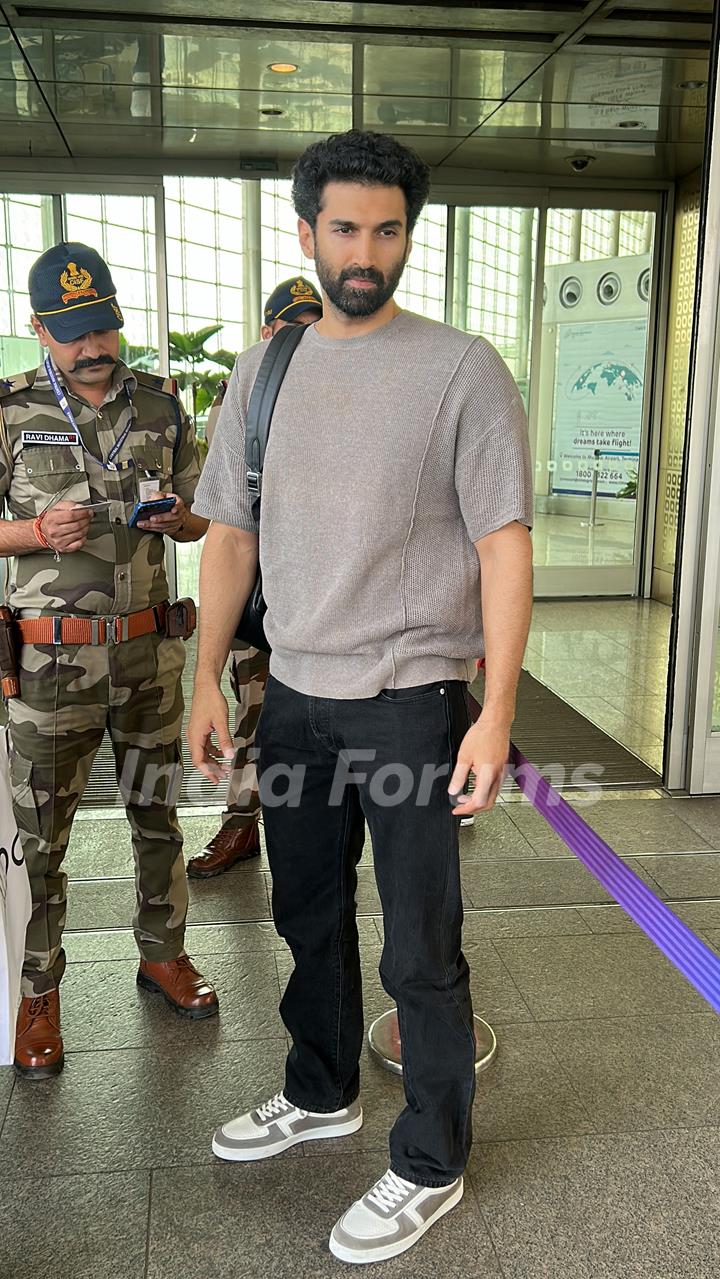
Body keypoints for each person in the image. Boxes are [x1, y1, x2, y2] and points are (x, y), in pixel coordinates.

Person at [188, 130, 533, 1266]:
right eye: (345, 227)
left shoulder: (461, 367)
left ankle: (430, 1157)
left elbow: (503, 544)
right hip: (293, 697)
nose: (365, 251)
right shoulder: (267, 366)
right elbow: (230, 534)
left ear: (408, 235)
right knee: (307, 915)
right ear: (306, 232)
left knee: (421, 949)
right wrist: (207, 677)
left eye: (387, 229)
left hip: (409, 702)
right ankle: (321, 1088)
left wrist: (494, 712)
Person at [0, 241, 219, 1080]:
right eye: (73, 335)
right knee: (39, 840)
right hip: (50, 669)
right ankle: (35, 994)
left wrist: (181, 523)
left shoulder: (162, 406)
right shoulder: (11, 412)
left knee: (158, 815)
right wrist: (30, 533)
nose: (94, 349)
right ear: (38, 329)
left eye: (103, 330)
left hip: (148, 655)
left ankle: (163, 953)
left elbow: (207, 512)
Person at [186, 276, 322, 878]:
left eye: (311, 322)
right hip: (254, 592)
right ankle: (241, 827)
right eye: (289, 324)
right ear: (267, 331)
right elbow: (230, 515)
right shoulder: (242, 393)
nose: (301, 335)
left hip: (321, 597)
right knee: (250, 714)